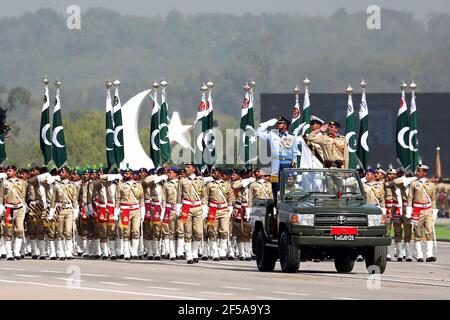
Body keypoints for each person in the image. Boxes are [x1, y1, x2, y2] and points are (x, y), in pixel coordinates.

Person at [256, 116, 300, 197]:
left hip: (287, 163)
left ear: (285, 125)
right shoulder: (272, 134)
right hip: (275, 164)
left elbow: (295, 152)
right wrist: (266, 124)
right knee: (275, 183)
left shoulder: (292, 136)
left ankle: (287, 201)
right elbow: (257, 133)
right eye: (278, 123)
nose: (278, 125)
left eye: (280, 123)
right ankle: (276, 203)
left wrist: (294, 166)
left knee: (288, 183)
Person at [201, 168, 234, 261]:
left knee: (224, 231)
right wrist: (205, 209)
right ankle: (215, 252)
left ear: (220, 174)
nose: (213, 174)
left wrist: (230, 207)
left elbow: (230, 197)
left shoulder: (227, 184)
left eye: (215, 173)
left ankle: (222, 250)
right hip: (213, 210)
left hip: (224, 210)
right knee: (212, 232)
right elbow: (205, 197)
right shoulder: (209, 185)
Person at [407, 164, 437, 262]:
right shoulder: (414, 184)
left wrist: (434, 211)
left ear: (424, 173)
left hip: (428, 210)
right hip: (417, 210)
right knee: (417, 233)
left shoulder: (431, 184)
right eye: (417, 171)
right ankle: (419, 255)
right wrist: (409, 210)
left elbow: (433, 199)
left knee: (429, 231)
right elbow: (410, 197)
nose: (417, 173)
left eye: (419, 171)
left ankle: (429, 254)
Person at [176, 163, 204, 264]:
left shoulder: (200, 180)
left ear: (194, 169)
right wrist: (178, 207)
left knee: (198, 232)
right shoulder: (182, 181)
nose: (186, 169)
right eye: (186, 167)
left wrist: (205, 207)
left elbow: (203, 195)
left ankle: (195, 251)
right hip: (186, 207)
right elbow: (179, 194)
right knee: (187, 232)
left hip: (197, 207)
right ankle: (188, 254)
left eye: (188, 167)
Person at [114, 167, 145, 260]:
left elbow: (141, 200)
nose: (125, 175)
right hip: (125, 210)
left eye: (127, 173)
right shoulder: (120, 185)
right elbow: (117, 200)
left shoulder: (138, 185)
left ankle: (134, 251)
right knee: (125, 232)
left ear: (131, 175)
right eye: (124, 173)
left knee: (136, 231)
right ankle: (126, 252)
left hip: (136, 210)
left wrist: (142, 211)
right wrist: (116, 212)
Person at [49, 166, 79, 260]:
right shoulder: (56, 185)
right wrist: (51, 212)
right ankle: (61, 252)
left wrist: (76, 212)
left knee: (68, 232)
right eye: (61, 172)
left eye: (63, 172)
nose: (61, 173)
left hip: (69, 210)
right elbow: (53, 200)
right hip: (60, 210)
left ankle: (68, 252)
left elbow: (74, 200)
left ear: (68, 174)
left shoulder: (72, 185)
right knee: (59, 232)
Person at [0, 165, 27, 260]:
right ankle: (9, 253)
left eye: (10, 171)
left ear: (15, 172)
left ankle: (16, 251)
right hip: (8, 209)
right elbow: (1, 196)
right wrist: (1, 207)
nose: (8, 172)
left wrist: (24, 205)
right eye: (7, 171)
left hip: (19, 209)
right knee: (8, 231)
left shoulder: (21, 182)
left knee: (20, 230)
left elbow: (23, 195)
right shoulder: (4, 182)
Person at [161, 167, 179, 261]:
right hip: (170, 209)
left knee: (180, 231)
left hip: (180, 209)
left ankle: (179, 251)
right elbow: (164, 198)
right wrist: (163, 211)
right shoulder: (166, 184)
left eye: (170, 172)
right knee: (170, 231)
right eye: (167, 172)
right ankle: (172, 252)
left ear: (175, 174)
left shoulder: (181, 183)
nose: (168, 174)